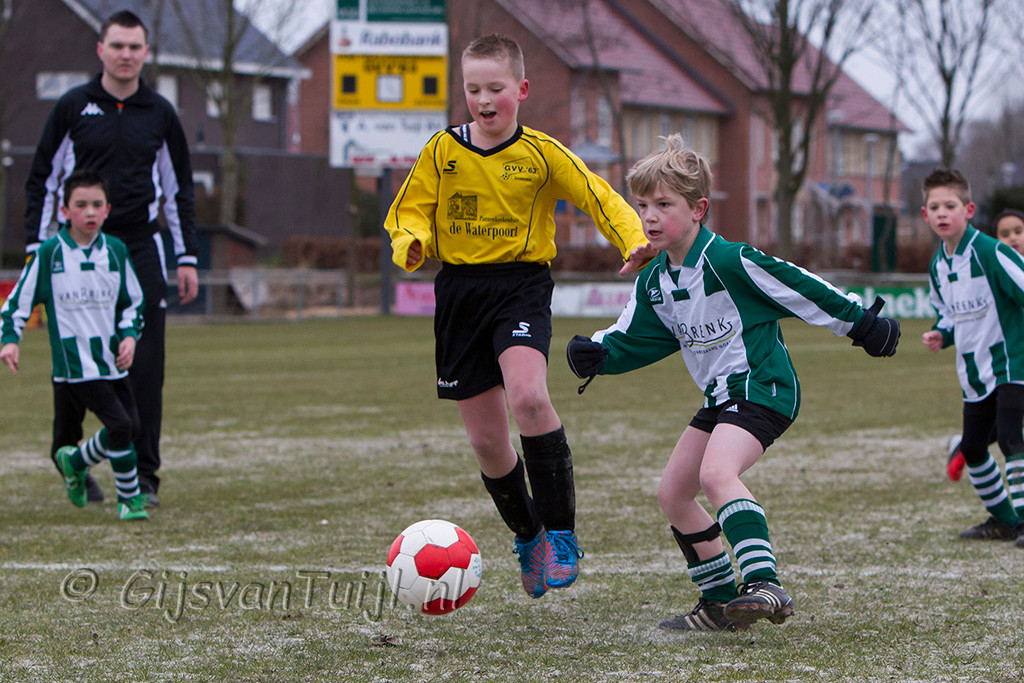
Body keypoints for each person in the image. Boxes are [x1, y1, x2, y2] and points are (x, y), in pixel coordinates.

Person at [566, 134, 900, 631]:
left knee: (716, 474)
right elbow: (634, 336)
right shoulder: (655, 280)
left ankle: (766, 584)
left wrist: (862, 323)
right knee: (673, 494)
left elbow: (800, 287)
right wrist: (599, 355)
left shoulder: (730, 261)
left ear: (698, 209)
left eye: (664, 204)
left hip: (763, 387)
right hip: (721, 398)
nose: (650, 216)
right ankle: (719, 603)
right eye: (643, 205)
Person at [384, 34, 653, 599]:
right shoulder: (441, 151)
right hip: (459, 294)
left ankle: (562, 535)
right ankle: (530, 536)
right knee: (487, 442)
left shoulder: (542, 154)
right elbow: (409, 210)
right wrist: (410, 241)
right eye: (473, 89)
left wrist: (632, 238)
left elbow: (598, 195)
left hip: (521, 287)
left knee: (528, 397)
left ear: (521, 89)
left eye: (495, 88)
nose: (484, 100)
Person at [23, 10, 199, 507]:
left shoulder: (161, 114)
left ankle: (144, 476)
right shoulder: (73, 107)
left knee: (144, 368)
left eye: (134, 46)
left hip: (140, 248)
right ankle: (69, 458)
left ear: (146, 53)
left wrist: (185, 256)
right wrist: (38, 251)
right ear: (100, 49)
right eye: (117, 45)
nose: (126, 54)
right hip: (80, 251)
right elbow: (43, 180)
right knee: (76, 367)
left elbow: (179, 190)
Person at [2, 170, 148, 521]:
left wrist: (130, 335)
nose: (90, 212)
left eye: (97, 204)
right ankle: (130, 501)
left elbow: (133, 303)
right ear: (65, 211)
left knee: (126, 428)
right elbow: (16, 304)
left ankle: (76, 461)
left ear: (108, 209)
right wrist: (9, 341)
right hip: (75, 363)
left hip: (111, 361)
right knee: (120, 426)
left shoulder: (116, 251)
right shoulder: (49, 254)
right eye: (81, 205)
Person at [921, 171, 1024, 548]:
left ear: (968, 210)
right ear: (925, 214)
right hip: (974, 372)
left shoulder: (991, 252)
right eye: (935, 207)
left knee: (1012, 439)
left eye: (950, 205)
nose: (942, 213)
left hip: (1012, 363)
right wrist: (941, 332)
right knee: (974, 448)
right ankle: (1004, 519)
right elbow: (948, 313)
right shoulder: (938, 265)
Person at [944, 208, 1024, 482]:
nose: (1012, 238)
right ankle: (967, 445)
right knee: (1010, 426)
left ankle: (964, 445)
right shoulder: (996, 269)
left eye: (1018, 231)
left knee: (1010, 423)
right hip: (1010, 360)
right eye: (1005, 234)